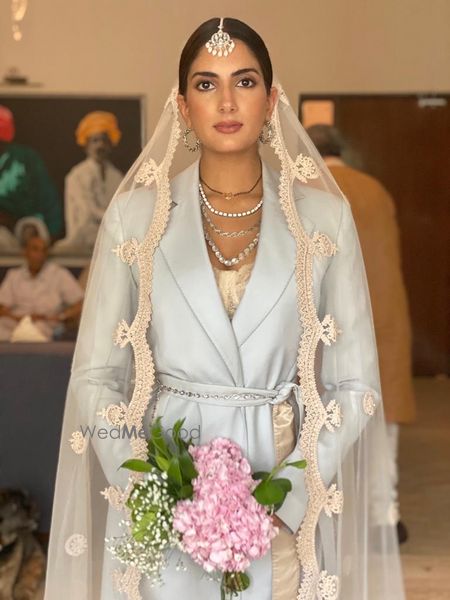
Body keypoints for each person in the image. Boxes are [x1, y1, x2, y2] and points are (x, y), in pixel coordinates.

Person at [44, 18, 405, 599]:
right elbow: (95, 377)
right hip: (168, 485)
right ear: (182, 107)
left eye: (245, 81)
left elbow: (356, 384)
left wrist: (286, 495)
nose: (228, 100)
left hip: (282, 485)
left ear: (272, 100)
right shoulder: (135, 217)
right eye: (206, 84)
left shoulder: (322, 219)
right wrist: (151, 491)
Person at [307, 124, 416, 542]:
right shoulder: (375, 189)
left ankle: (320, 511)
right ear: (341, 150)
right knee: (382, 424)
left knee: (321, 423)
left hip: (327, 324)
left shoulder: (302, 188)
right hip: (383, 318)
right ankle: (385, 515)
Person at [53, 111, 123, 253]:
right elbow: (88, 211)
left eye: (104, 140)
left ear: (110, 145)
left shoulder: (117, 176)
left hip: (110, 240)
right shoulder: (77, 175)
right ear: (86, 144)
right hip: (83, 240)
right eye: (95, 140)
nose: (100, 146)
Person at [0, 105, 63, 247]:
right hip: (2, 232)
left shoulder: (25, 158)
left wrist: (52, 233)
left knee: (29, 231)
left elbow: (48, 197)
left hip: (23, 223)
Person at [0, 235, 84, 340]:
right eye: (35, 249)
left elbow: (80, 303)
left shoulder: (59, 274)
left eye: (43, 251)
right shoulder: (14, 275)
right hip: (16, 321)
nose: (40, 255)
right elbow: (2, 308)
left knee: (34, 332)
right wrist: (22, 319)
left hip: (46, 323)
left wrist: (62, 317)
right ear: (25, 252)